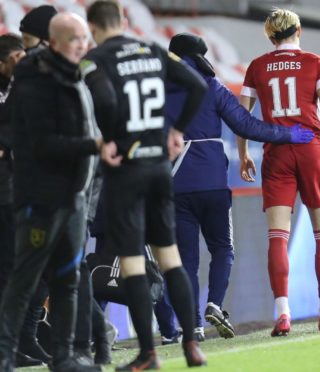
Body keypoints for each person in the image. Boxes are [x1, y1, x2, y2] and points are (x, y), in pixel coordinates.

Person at [160, 33, 314, 341]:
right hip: (214, 184)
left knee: (185, 260)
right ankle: (215, 303)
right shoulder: (211, 86)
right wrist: (289, 135)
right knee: (223, 249)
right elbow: (247, 126)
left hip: (175, 185)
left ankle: (193, 327)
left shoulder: (158, 88)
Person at [83, 1, 207, 369]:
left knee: (134, 264)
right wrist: (178, 128)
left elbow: (103, 98)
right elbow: (197, 85)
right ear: (122, 21)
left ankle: (148, 354)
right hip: (157, 167)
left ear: (92, 26)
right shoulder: (152, 50)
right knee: (170, 258)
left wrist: (107, 137)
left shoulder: (95, 59)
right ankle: (190, 343)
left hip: (126, 170)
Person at [0, 13, 103, 372]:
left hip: (74, 197)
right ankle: (3, 355)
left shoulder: (74, 76)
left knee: (67, 280)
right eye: (76, 38)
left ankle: (64, 358)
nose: (83, 44)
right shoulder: (35, 80)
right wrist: (95, 145)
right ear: (54, 42)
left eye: (85, 38)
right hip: (42, 199)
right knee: (25, 279)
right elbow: (43, 143)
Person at [237, 8, 320, 336]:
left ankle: (283, 313)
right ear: (298, 31)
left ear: (271, 37)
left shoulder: (257, 67)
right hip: (310, 148)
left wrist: (243, 154)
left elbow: (242, 115)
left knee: (277, 236)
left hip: (276, 153)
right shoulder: (317, 62)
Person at [0, 33, 53, 369]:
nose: (24, 64)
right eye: (18, 59)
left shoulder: (26, 88)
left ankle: (25, 339)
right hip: (7, 196)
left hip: (31, 191)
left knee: (40, 267)